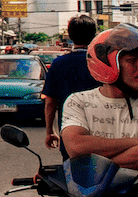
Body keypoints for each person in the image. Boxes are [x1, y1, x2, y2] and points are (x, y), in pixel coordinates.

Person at [61, 24, 138, 169]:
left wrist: (94, 170)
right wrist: (134, 142)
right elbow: (77, 147)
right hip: (92, 192)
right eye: (131, 61)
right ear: (107, 64)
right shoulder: (79, 101)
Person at [42, 15, 98, 155]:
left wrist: (50, 131)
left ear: (70, 36)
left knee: (72, 174)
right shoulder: (102, 63)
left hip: (70, 134)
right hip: (102, 133)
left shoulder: (58, 64)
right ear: (94, 35)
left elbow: (50, 102)